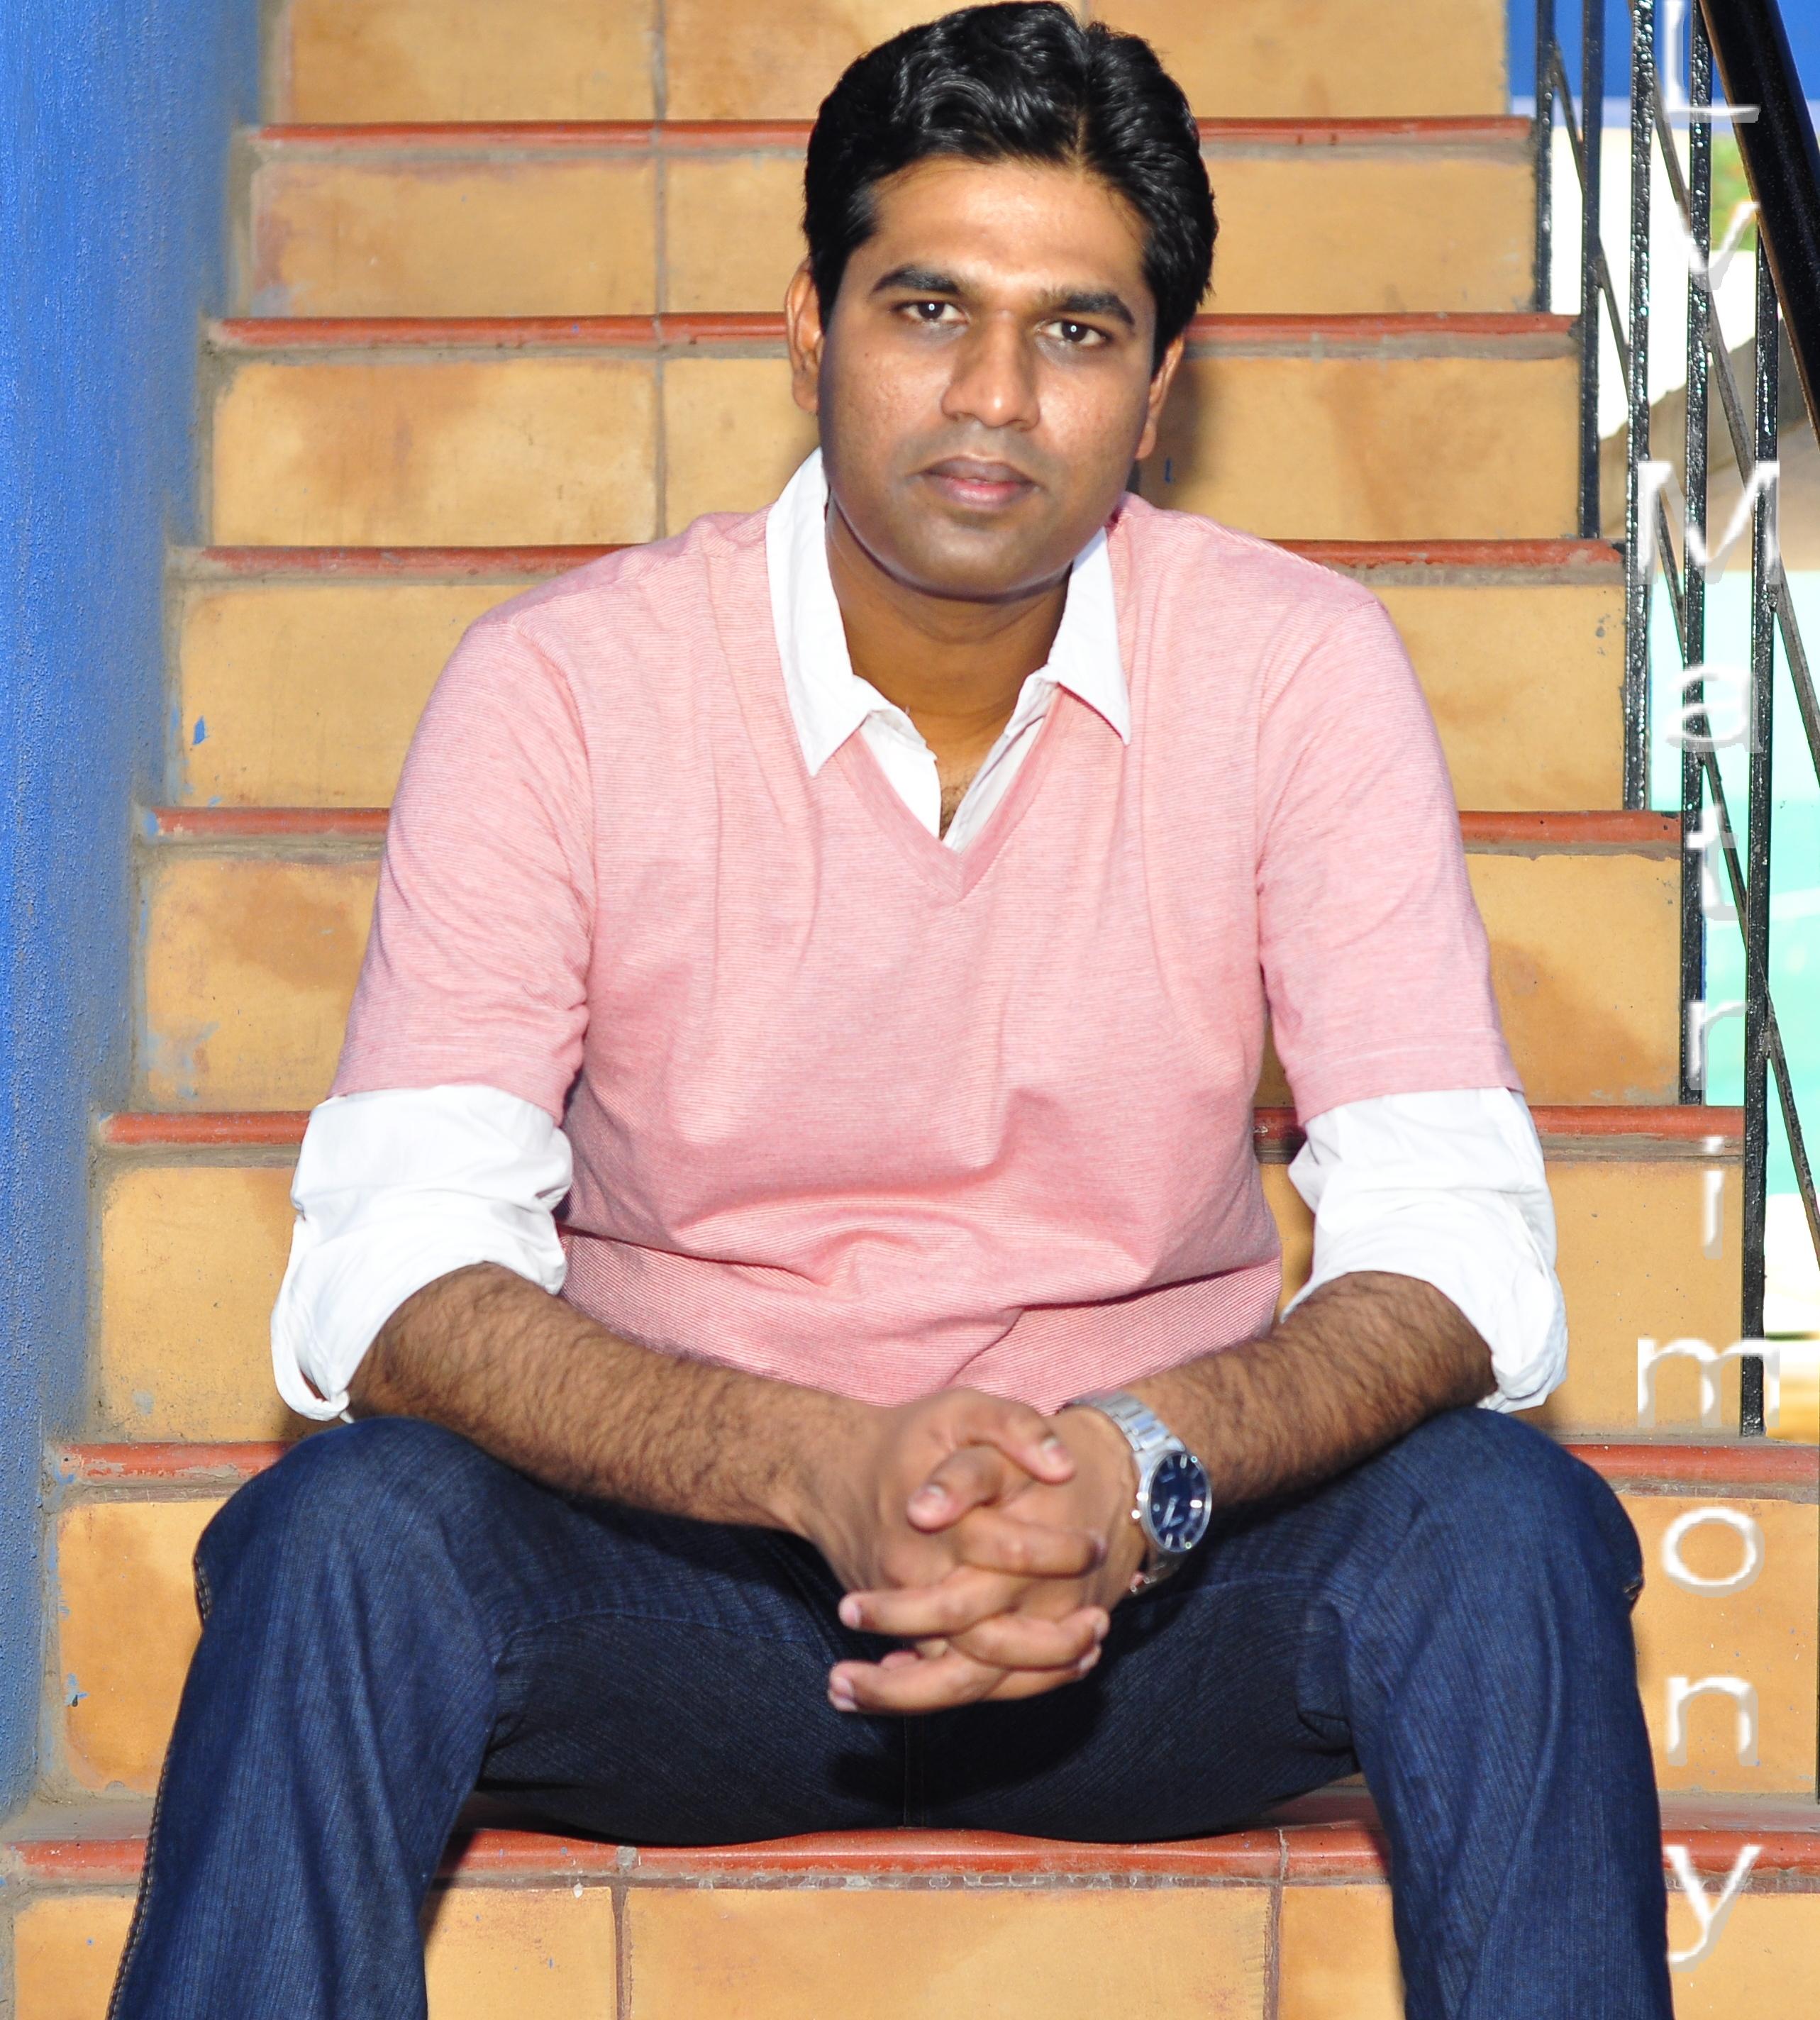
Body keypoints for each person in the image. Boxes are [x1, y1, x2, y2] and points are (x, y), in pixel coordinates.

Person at [107, 6, 1670, 2016]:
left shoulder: (1294, 670)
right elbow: (386, 1272)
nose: (994, 396)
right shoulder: (564, 689)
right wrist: (812, 1467)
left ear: (1160, 391)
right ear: (809, 329)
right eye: (929, 308)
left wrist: (1133, 1468)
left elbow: (1463, 1247)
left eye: (1076, 331)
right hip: (691, 1588)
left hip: (1149, 1597)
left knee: (1506, 1529)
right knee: (342, 1541)